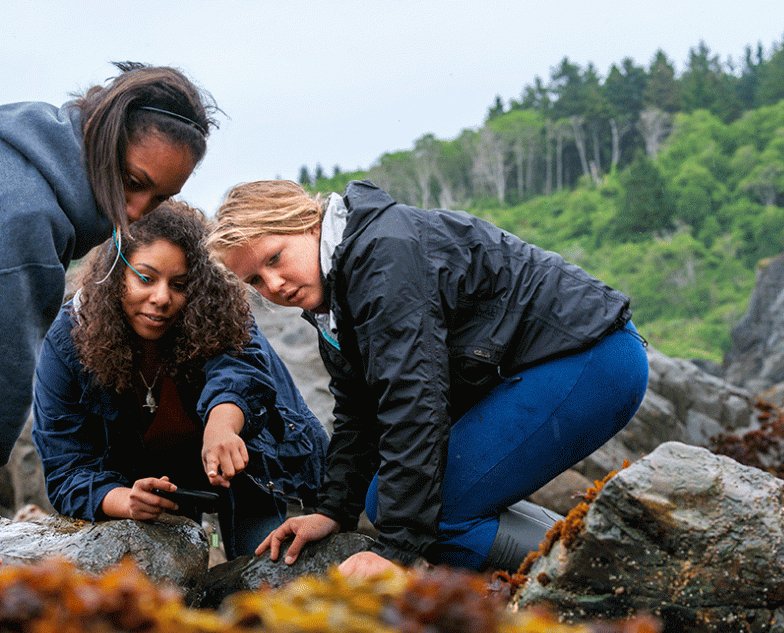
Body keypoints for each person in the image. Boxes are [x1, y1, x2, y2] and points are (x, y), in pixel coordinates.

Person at [207, 179, 649, 577]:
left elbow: (413, 403)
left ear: (307, 222)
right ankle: (604, 560)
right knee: (388, 503)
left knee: (434, 519)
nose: (275, 284)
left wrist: (397, 552)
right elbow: (360, 412)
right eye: (256, 281)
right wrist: (334, 511)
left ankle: (623, 579)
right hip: (547, 368)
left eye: (275, 259)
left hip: (591, 357)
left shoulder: (383, 257)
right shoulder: (334, 299)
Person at [0, 61, 217, 560]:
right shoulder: (25, 213)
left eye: (161, 198)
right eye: (133, 181)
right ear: (102, 133)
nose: (135, 211)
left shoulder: (2, 149)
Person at [31, 200, 327, 560]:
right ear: (115, 273)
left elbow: (241, 373)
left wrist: (222, 427)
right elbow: (66, 467)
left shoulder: (218, 311)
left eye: (180, 284)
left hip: (249, 464)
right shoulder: (68, 341)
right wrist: (124, 500)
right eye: (145, 277)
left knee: (266, 566)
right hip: (149, 478)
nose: (161, 298)